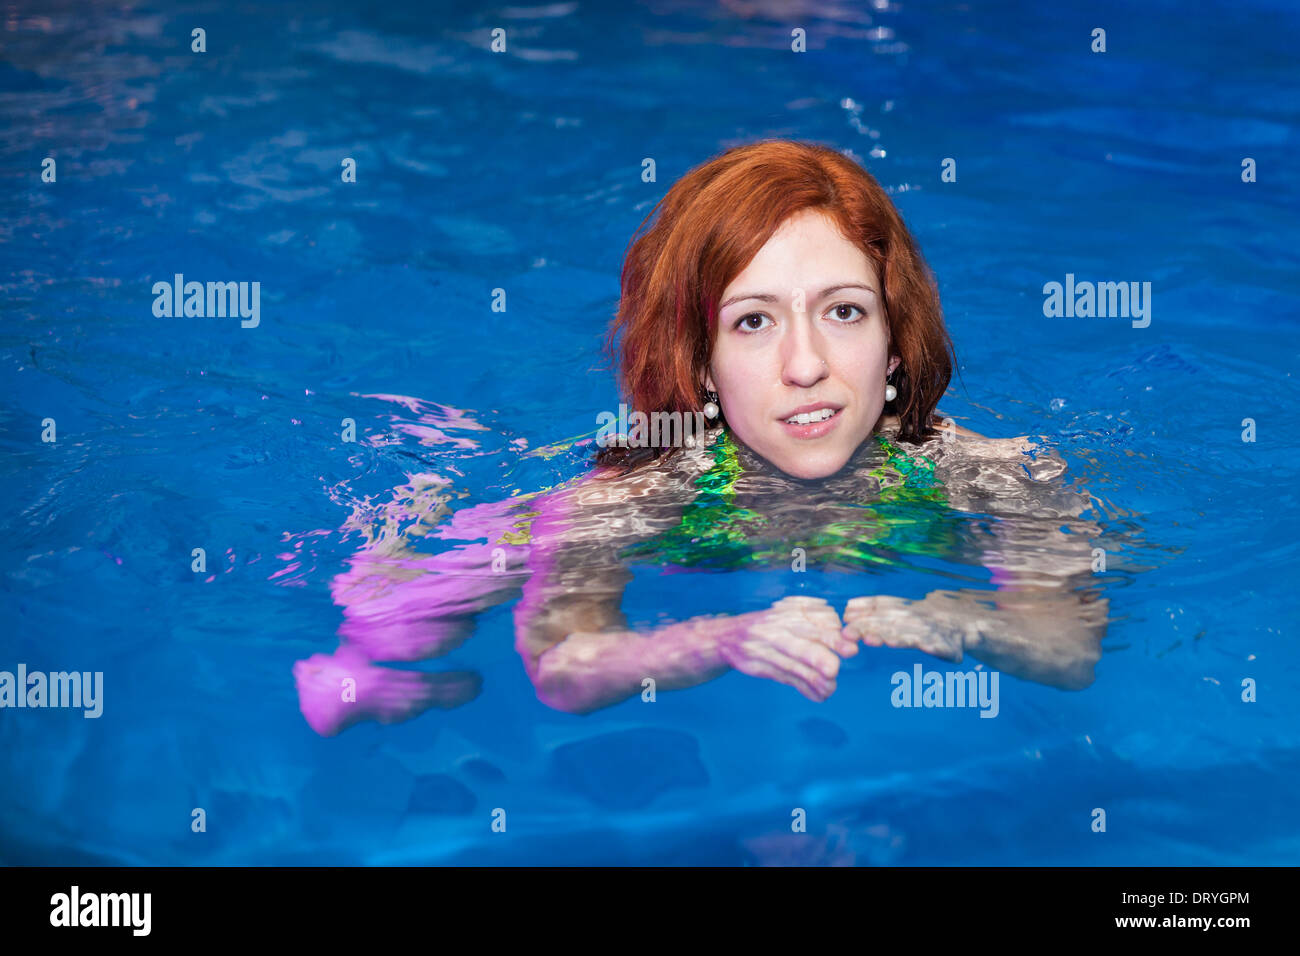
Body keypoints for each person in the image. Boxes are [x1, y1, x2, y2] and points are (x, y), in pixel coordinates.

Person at [294, 140, 1107, 734]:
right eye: (753, 322)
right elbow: (564, 668)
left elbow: (1066, 647)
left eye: (845, 311)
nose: (806, 364)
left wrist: (961, 620)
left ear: (894, 337)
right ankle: (371, 658)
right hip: (586, 518)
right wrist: (721, 638)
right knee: (440, 584)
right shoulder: (643, 496)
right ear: (703, 364)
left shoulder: (996, 479)